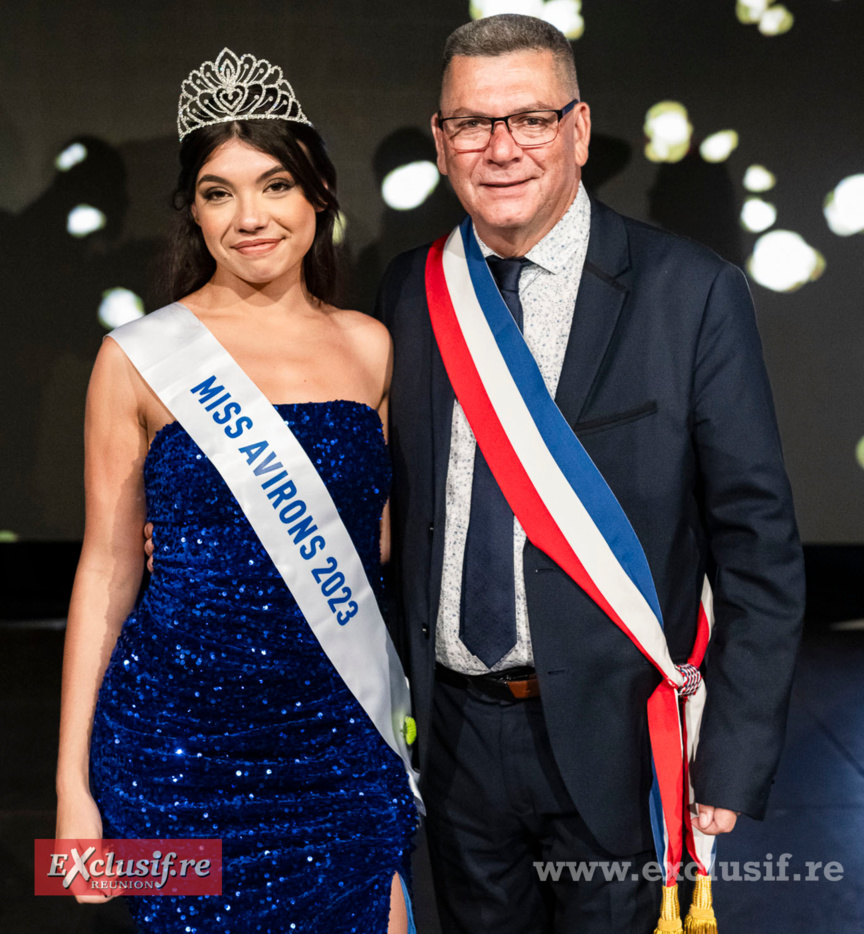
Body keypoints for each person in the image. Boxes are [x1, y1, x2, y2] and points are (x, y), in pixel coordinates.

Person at [374, 14, 805, 934]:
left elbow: (757, 546)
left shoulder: (691, 292)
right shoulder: (409, 292)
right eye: (471, 125)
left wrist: (730, 753)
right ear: (442, 141)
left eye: (529, 118)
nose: (501, 149)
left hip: (618, 741)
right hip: (451, 743)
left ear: (577, 129)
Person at [55, 49, 417, 934]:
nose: (250, 217)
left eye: (276, 184)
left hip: (340, 741)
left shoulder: (372, 347)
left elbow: (384, 544)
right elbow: (105, 573)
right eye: (218, 192)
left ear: (319, 193)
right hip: (171, 755)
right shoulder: (136, 356)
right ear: (193, 211)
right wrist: (70, 790)